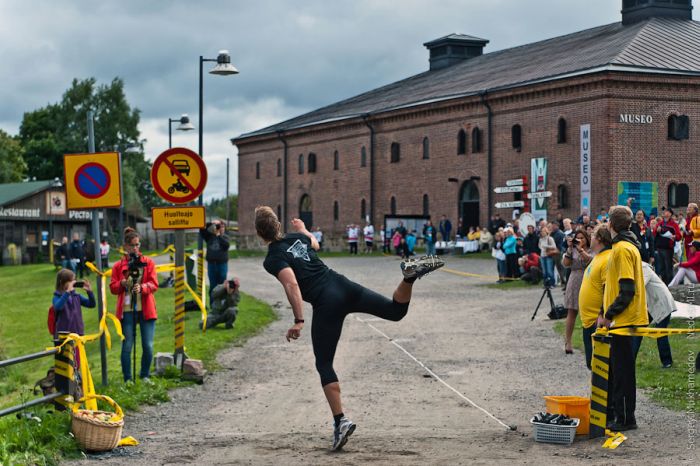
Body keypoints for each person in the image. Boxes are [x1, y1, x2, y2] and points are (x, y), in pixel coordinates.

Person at [255, 206, 444, 450]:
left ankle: (340, 421)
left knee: (324, 364)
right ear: (278, 225)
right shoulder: (296, 237)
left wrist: (299, 320)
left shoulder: (272, 259)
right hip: (343, 285)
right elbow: (314, 244)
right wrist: (302, 229)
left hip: (327, 303)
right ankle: (408, 276)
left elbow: (291, 284)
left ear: (260, 233)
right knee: (395, 311)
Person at [599, 205, 648, 431]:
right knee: (619, 371)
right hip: (622, 320)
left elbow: (627, 289)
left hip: (624, 321)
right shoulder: (624, 247)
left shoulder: (622, 249)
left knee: (623, 373)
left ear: (611, 225)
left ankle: (626, 418)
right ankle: (621, 415)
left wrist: (609, 314)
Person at [110, 227, 159, 382]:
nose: (136, 248)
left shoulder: (148, 262)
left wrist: (142, 288)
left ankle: (144, 375)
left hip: (146, 309)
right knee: (127, 346)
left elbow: (154, 284)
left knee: (148, 345)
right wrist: (122, 283)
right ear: (126, 246)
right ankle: (128, 379)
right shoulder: (118, 266)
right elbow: (112, 287)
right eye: (133, 245)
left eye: (138, 245)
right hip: (127, 310)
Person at [578, 224, 613, 369]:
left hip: (597, 322)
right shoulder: (597, 257)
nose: (589, 237)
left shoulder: (607, 258)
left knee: (600, 368)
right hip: (589, 322)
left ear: (599, 239)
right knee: (592, 365)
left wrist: (603, 314)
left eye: (592, 235)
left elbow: (608, 289)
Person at [633, 262, 675, 368]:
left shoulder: (642, 267)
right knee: (638, 329)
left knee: (660, 332)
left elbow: (638, 288)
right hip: (653, 304)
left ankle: (667, 362)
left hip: (661, 303)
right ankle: (630, 358)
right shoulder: (637, 267)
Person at [562, 229, 592, 354]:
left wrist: (580, 249)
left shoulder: (592, 249)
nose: (580, 240)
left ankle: (591, 343)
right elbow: (566, 263)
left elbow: (590, 261)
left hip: (589, 280)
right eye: (577, 238)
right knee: (572, 312)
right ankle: (568, 342)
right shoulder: (572, 249)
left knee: (589, 313)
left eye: (582, 238)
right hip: (574, 280)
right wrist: (570, 248)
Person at [53, 269, 95, 338]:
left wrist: (89, 292)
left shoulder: (76, 296)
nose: (74, 283)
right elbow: (58, 307)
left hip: (78, 333)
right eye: (71, 281)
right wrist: (67, 292)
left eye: (74, 280)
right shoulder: (57, 296)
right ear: (63, 282)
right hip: (64, 336)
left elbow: (91, 304)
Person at [200, 220, 230, 300]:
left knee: (222, 286)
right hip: (211, 265)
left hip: (222, 265)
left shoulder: (225, 237)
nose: (220, 228)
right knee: (213, 286)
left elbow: (226, 245)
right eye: (219, 226)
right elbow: (202, 229)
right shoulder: (209, 236)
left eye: (222, 227)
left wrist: (219, 235)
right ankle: (213, 306)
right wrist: (211, 223)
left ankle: (222, 305)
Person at [653, 208, 681, 284]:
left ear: (670, 214)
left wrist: (675, 237)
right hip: (659, 248)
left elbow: (679, 236)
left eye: (667, 212)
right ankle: (665, 284)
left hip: (668, 249)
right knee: (661, 268)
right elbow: (654, 234)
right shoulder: (660, 223)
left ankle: (670, 285)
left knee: (668, 268)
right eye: (664, 211)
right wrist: (657, 231)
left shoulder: (674, 224)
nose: (665, 213)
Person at [549, 221, 566, 287]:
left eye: (553, 225)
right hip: (554, 252)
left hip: (559, 253)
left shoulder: (560, 233)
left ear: (557, 226)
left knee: (561, 268)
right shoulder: (552, 233)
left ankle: (563, 281)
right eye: (552, 226)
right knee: (558, 268)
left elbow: (561, 245)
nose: (552, 227)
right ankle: (561, 281)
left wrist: (559, 251)